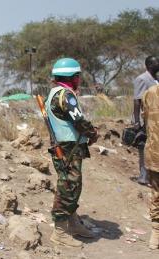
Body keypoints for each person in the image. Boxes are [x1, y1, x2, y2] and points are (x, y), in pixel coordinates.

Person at [45, 58, 99, 247]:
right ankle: (60, 231)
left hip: (65, 146)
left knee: (72, 185)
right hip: (68, 147)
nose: (79, 79)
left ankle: (73, 223)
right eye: (78, 76)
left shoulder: (54, 93)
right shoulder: (65, 95)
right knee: (68, 186)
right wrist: (93, 133)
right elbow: (79, 121)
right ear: (73, 76)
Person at [132, 56, 159, 186]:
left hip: (156, 120)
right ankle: (144, 177)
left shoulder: (156, 79)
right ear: (149, 64)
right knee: (145, 147)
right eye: (156, 62)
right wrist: (137, 122)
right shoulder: (142, 79)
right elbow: (137, 101)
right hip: (146, 120)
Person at [142, 82, 159, 250]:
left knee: (156, 194)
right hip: (156, 153)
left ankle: (156, 233)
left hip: (155, 152)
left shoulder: (150, 93)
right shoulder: (150, 93)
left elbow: (145, 118)